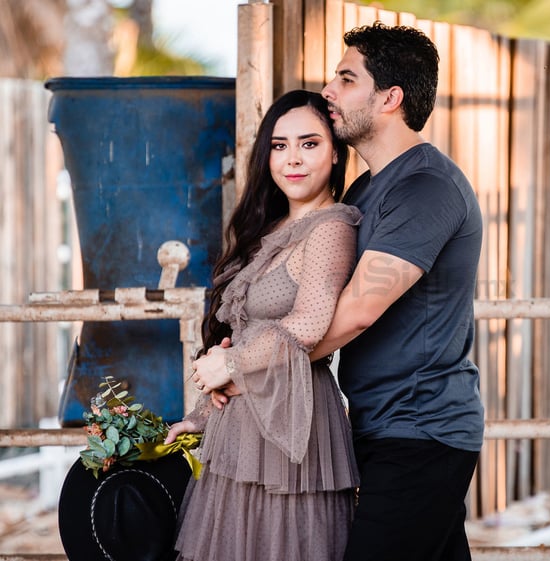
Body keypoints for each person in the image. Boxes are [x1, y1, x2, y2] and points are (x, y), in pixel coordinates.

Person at [164, 89, 361, 561]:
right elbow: (243, 335)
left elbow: (309, 324)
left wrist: (229, 364)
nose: (292, 158)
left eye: (309, 144)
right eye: (279, 145)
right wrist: (199, 416)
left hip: (292, 425)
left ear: (335, 153)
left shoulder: (332, 227)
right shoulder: (267, 230)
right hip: (239, 429)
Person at [315, 21, 485, 561]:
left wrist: (258, 366)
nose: (328, 92)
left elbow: (360, 309)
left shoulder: (426, 187)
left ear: (390, 98)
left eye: (345, 79)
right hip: (383, 423)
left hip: (422, 430)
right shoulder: (369, 186)